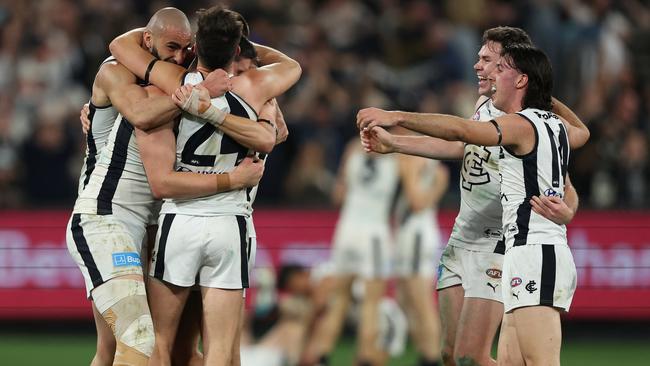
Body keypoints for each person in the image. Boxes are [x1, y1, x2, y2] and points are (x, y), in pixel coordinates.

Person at [358, 27, 588, 366]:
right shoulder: (493, 107)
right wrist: (395, 144)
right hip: (472, 238)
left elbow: (561, 177)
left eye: (491, 62)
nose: (480, 67)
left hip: (503, 244)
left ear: (516, 75)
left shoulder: (525, 123)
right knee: (454, 355)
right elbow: (462, 143)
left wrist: (398, 117)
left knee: (480, 357)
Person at [66, 7, 265, 366]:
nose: (178, 56)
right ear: (147, 40)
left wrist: (266, 110)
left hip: (155, 225)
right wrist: (201, 91)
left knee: (127, 350)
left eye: (184, 48)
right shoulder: (117, 71)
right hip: (106, 216)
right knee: (139, 339)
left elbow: (255, 73)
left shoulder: (176, 77)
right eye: (170, 46)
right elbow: (141, 114)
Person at [109, 5, 301, 366]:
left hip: (179, 221)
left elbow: (120, 46)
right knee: (221, 351)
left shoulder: (171, 87)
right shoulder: (255, 88)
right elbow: (293, 67)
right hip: (231, 222)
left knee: (159, 343)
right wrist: (244, 45)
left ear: (195, 44)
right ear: (237, 49)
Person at [303, 139, 399, 366]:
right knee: (371, 303)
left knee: (338, 301)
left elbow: (338, 195)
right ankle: (366, 358)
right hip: (374, 233)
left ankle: (322, 356)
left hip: (346, 229)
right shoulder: (396, 150)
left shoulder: (354, 148)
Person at [393, 153, 448, 366]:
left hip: (416, 233)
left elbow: (415, 202)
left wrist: (407, 171)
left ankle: (431, 357)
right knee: (406, 299)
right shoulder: (437, 167)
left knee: (420, 300)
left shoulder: (413, 160)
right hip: (416, 232)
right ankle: (426, 353)